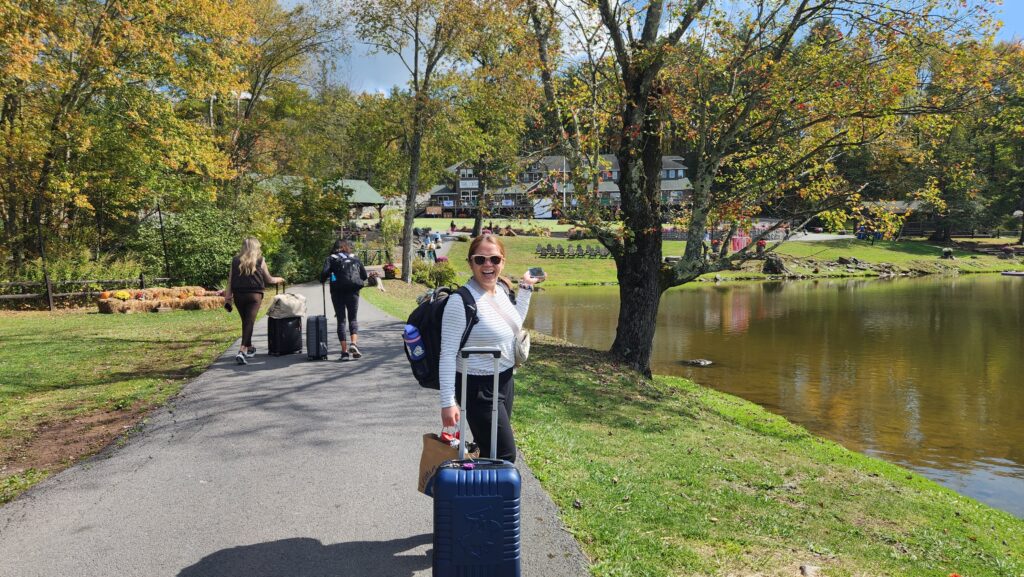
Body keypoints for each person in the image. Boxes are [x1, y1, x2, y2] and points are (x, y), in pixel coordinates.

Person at [438, 234, 545, 463]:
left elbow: (513, 323)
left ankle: (482, 496)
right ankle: (487, 496)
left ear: (502, 262)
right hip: (477, 387)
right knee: (505, 455)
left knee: (491, 452)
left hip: (505, 380)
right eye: (480, 259)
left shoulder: (501, 291)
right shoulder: (461, 301)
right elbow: (447, 354)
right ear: (470, 263)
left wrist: (525, 287)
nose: (488, 265)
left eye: (494, 259)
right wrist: (447, 402)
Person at [223, 237, 285, 365]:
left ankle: (249, 347)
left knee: (246, 322)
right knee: (249, 323)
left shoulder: (235, 261)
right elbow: (269, 280)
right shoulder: (260, 260)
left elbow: (230, 281)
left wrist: (228, 298)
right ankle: (242, 350)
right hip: (254, 295)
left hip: (239, 295)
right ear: (256, 247)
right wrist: (279, 279)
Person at [320, 239, 368, 361]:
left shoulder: (331, 258)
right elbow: (364, 276)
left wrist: (327, 277)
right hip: (353, 291)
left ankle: (344, 352)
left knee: (341, 320)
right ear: (347, 247)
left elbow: (323, 275)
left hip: (337, 292)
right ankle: (354, 343)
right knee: (353, 318)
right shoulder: (355, 258)